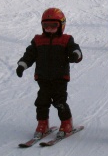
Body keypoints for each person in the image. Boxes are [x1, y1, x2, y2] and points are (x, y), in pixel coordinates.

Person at [15, 8, 83, 140]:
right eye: (46, 26)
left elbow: (75, 49)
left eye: (54, 25)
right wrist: (22, 65)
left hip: (60, 78)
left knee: (59, 102)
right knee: (41, 102)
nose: (49, 29)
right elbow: (29, 55)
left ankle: (66, 123)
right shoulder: (38, 40)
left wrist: (75, 55)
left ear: (61, 25)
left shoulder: (66, 40)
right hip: (43, 78)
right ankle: (42, 124)